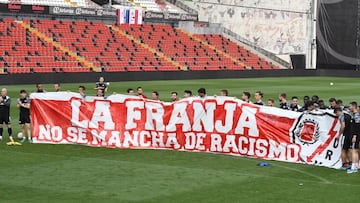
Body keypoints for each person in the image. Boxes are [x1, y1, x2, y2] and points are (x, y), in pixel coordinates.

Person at [347, 102, 360, 173]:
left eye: (350, 106)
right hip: (356, 135)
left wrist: (354, 136)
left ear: (353, 106)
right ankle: (357, 165)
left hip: (356, 135)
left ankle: (353, 167)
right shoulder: (355, 114)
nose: (349, 107)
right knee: (356, 150)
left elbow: (357, 127)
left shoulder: (356, 115)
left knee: (354, 151)